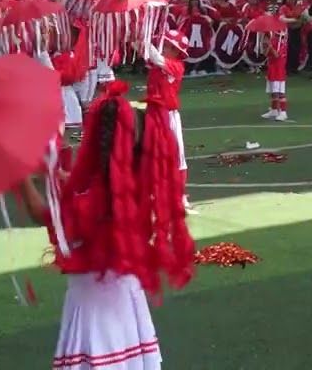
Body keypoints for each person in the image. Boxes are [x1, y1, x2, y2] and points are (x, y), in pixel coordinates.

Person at [17, 81, 195, 370]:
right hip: (125, 300)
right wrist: (58, 176)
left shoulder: (88, 201)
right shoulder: (134, 188)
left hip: (94, 307)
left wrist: (19, 176)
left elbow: (42, 215)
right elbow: (93, 190)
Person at [144, 30, 195, 214]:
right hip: (153, 113)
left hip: (168, 115)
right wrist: (134, 35)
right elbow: (146, 53)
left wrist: (143, 36)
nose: (164, 48)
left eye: (168, 46)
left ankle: (180, 196)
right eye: (165, 45)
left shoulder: (176, 66)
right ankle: (153, 193)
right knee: (151, 153)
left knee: (178, 156)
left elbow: (155, 57)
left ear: (176, 51)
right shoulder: (160, 64)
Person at [262, 27, 290, 121]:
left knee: (280, 93)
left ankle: (283, 112)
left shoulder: (283, 44)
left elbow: (277, 55)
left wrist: (270, 46)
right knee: (273, 92)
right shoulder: (273, 42)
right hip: (271, 70)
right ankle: (274, 110)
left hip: (279, 72)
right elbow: (265, 54)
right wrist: (265, 46)